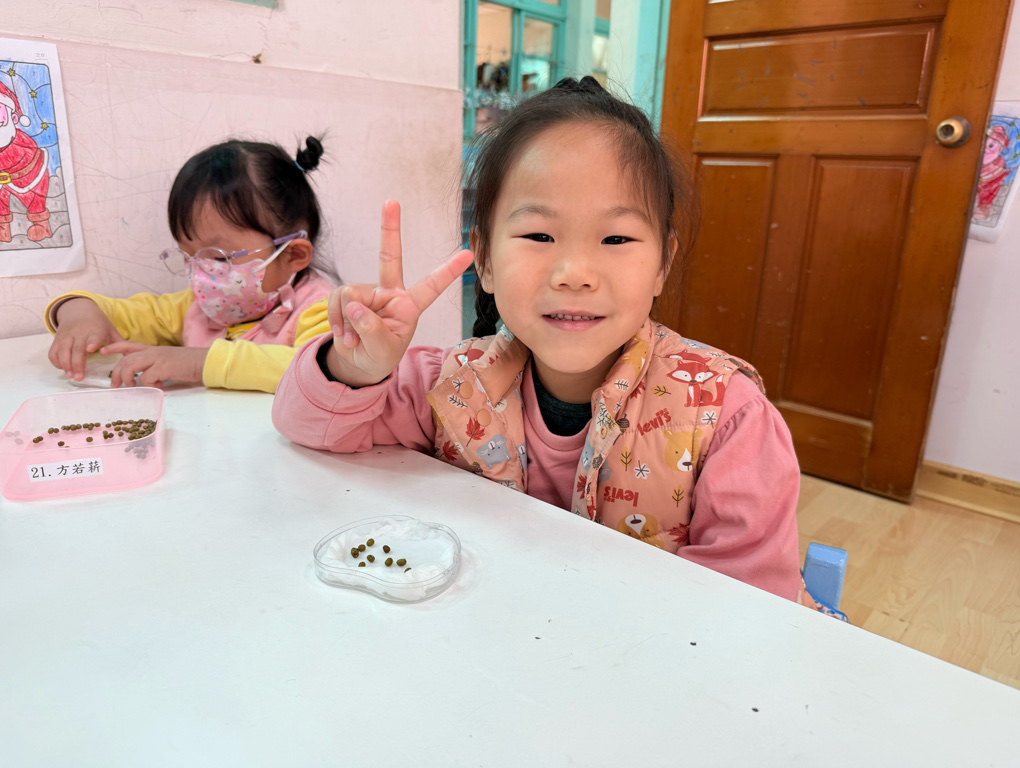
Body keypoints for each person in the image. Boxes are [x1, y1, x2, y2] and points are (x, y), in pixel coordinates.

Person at [273, 78, 819, 607]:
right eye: (539, 235)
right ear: (485, 259)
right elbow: (306, 428)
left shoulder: (728, 422)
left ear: (662, 264)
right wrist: (356, 367)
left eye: (616, 238)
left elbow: (745, 617)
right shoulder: (450, 386)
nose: (574, 273)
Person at [45, 137, 337, 393]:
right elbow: (124, 316)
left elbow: (319, 372)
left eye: (219, 258)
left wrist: (198, 363)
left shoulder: (326, 310)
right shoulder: (196, 307)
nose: (202, 274)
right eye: (190, 257)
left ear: (293, 255)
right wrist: (76, 311)